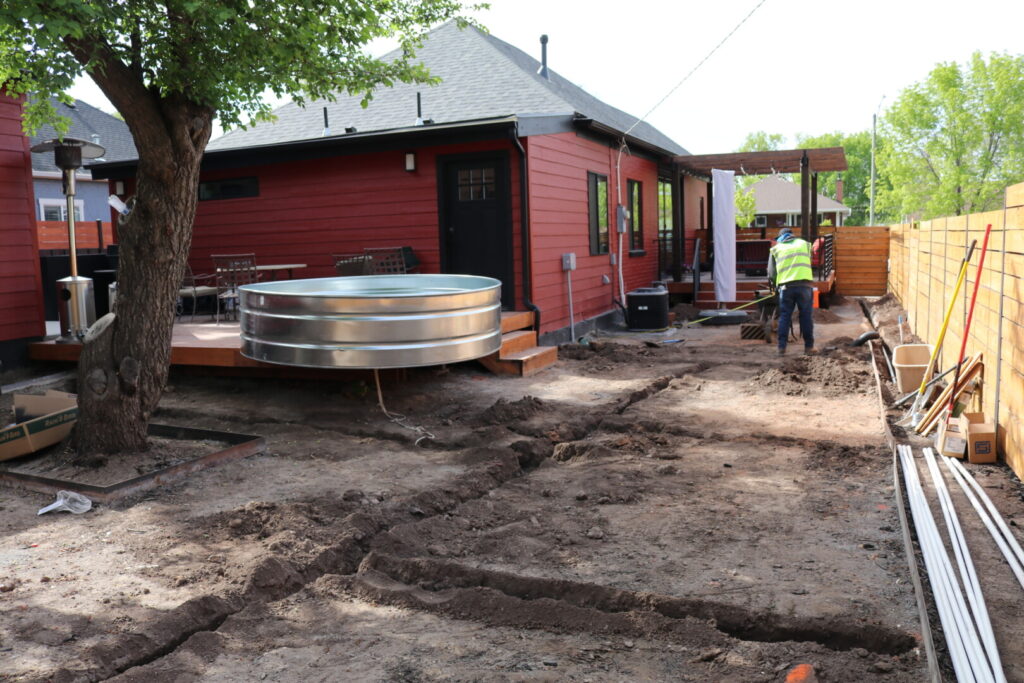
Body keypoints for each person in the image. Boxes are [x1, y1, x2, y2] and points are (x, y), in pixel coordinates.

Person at [768, 227, 814, 356]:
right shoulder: (804, 244)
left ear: (780, 238)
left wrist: (776, 285)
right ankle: (809, 347)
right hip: (805, 286)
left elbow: (771, 273)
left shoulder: (776, 249)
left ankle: (781, 348)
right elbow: (807, 260)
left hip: (786, 287)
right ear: (792, 235)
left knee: (785, 316)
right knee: (806, 316)